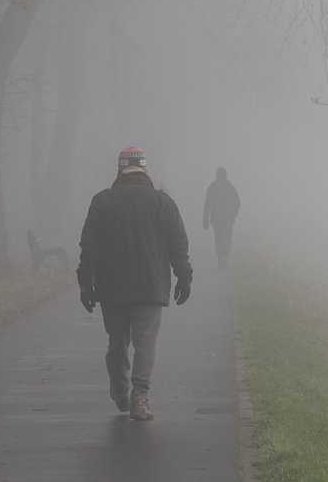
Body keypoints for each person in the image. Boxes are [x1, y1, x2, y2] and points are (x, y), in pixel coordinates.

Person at [76, 147, 192, 421]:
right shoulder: (163, 203)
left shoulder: (101, 201)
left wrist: (85, 283)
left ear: (120, 170)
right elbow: (178, 246)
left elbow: (89, 247)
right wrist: (184, 277)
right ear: (145, 171)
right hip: (151, 285)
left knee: (117, 341)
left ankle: (119, 388)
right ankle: (140, 397)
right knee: (145, 342)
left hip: (112, 285)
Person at [201, 167, 242, 270]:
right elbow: (237, 203)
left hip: (216, 219)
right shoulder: (231, 188)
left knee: (218, 238)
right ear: (226, 176)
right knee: (227, 237)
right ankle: (225, 256)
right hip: (228, 219)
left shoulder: (211, 188)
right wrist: (234, 214)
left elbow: (207, 206)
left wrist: (205, 221)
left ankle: (220, 258)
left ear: (216, 176)